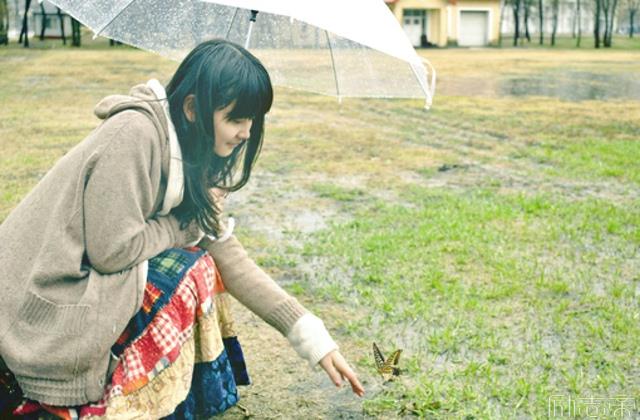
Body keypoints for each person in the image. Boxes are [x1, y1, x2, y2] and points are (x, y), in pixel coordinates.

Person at [0, 38, 364, 418]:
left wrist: (311, 337)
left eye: (253, 120)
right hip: (39, 298)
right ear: (192, 109)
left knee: (202, 262)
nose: (246, 132)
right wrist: (180, 228)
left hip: (75, 280)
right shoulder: (134, 135)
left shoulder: (190, 153)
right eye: (236, 119)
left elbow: (231, 257)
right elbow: (112, 251)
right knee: (191, 270)